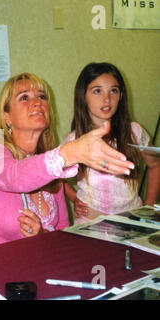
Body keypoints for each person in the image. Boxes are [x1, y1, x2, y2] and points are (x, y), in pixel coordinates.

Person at [0, 72, 136, 251]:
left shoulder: (49, 166)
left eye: (42, 97)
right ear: (7, 116)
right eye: (24, 97)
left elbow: (61, 234)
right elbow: (15, 177)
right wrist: (71, 153)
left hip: (37, 269)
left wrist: (41, 235)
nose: (37, 102)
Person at [64, 62, 160, 224]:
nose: (106, 99)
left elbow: (155, 165)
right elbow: (57, 177)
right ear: (83, 96)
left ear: (121, 96)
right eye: (97, 91)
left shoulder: (134, 132)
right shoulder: (75, 140)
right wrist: (74, 198)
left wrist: (149, 206)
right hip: (90, 222)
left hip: (130, 222)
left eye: (113, 91)